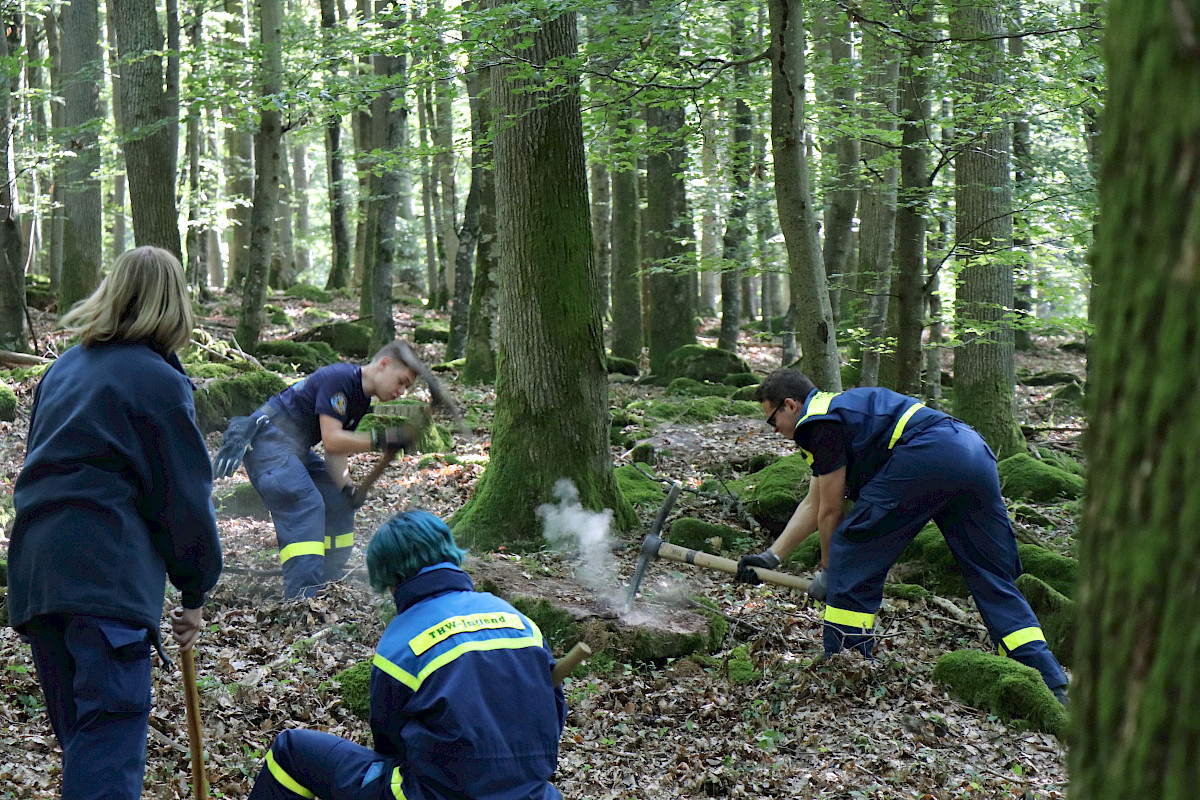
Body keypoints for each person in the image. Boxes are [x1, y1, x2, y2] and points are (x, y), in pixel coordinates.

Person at [8, 246, 224, 800]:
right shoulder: (158, 381)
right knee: (105, 745)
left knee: (83, 740)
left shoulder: (61, 371)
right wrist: (195, 588)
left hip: (37, 575)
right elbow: (182, 496)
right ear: (174, 304)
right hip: (103, 579)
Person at [737, 368, 1069, 704]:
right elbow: (814, 502)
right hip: (971, 452)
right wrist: (771, 557)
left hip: (929, 454)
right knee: (993, 575)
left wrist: (828, 569)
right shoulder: (835, 415)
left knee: (853, 545)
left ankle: (845, 668)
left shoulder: (818, 424)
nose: (775, 431)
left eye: (772, 420)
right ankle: (1048, 685)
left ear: (790, 405)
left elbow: (831, 512)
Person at [247, 510, 567, 800]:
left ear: (389, 578)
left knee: (291, 750)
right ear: (449, 553)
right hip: (532, 793)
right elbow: (555, 714)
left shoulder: (402, 640)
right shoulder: (520, 622)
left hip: (430, 795)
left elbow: (389, 746)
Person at [214, 340, 424, 598]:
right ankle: (303, 594)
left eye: (407, 386)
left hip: (295, 449)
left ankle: (329, 576)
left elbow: (335, 450)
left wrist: (347, 489)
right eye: (402, 381)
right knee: (306, 503)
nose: (402, 391)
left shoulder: (360, 398)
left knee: (338, 501)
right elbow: (333, 438)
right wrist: (381, 439)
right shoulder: (340, 380)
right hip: (267, 443)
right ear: (384, 364)